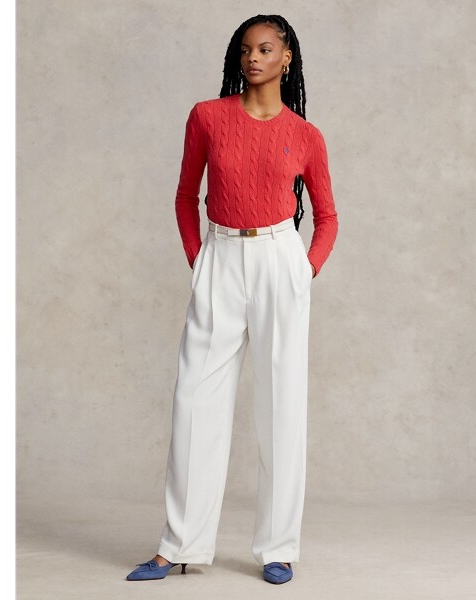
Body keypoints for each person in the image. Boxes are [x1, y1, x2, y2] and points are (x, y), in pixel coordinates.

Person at [126, 14, 338, 585]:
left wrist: (304, 270)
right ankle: (179, 545)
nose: (252, 59)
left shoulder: (306, 135)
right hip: (220, 255)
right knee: (195, 401)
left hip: (279, 260)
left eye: (265, 49)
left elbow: (328, 216)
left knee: (282, 405)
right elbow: (184, 195)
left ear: (287, 58)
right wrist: (200, 259)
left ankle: (278, 548)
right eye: (245, 50)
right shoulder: (207, 117)